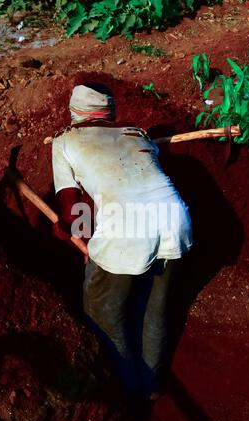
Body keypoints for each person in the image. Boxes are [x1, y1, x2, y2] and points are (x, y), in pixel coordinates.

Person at [52, 82, 193, 400]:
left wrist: (69, 232)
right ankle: (153, 385)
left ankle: (126, 390)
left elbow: (74, 214)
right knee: (154, 309)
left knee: (101, 308)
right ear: (109, 111)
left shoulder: (64, 141)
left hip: (125, 233)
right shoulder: (137, 132)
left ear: (76, 113)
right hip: (176, 221)